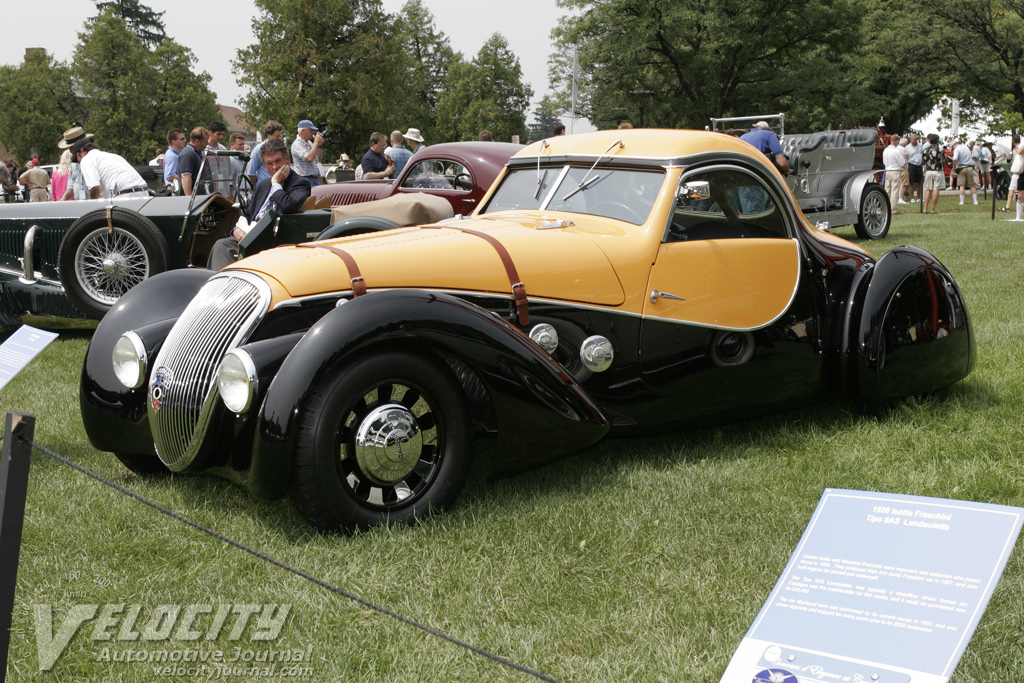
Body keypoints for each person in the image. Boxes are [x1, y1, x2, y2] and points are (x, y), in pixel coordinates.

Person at [207, 138, 310, 270]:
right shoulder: (262, 186)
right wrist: (236, 230)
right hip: (251, 235)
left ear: (287, 160)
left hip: (273, 239)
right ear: (264, 164)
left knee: (223, 247)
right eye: (269, 163)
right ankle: (220, 286)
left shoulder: (299, 183)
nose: (274, 167)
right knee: (221, 245)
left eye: (278, 161)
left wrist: (276, 184)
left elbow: (288, 205)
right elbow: (249, 214)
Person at [72, 139, 148, 199]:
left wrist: (92, 206)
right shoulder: (111, 156)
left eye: (77, 159)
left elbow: (94, 187)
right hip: (144, 192)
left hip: (124, 195)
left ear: (81, 151)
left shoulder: (86, 159)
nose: (79, 163)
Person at [290, 120, 324, 186]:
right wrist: (316, 142)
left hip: (315, 178)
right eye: (311, 130)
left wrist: (319, 146)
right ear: (303, 131)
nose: (313, 133)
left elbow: (319, 160)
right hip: (305, 179)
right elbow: (309, 159)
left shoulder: (310, 143)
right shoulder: (297, 144)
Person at [922, 134, 945, 215]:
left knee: (929, 189)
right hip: (937, 170)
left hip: (928, 171)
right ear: (937, 141)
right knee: (936, 189)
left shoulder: (925, 150)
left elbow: (923, 161)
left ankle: (925, 208)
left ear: (929, 141)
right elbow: (943, 160)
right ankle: (933, 209)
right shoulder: (940, 150)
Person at [882, 135, 906, 213]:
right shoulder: (896, 151)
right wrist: (905, 158)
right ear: (896, 141)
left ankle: (884, 206)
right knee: (895, 190)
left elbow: (884, 162)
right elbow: (902, 163)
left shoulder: (885, 150)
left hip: (888, 170)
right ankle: (893, 208)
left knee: (887, 190)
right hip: (895, 171)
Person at [951, 141, 978, 205]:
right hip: (970, 167)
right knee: (972, 185)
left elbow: (955, 158)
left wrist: (954, 167)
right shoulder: (966, 147)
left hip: (961, 167)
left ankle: (962, 201)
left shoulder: (957, 149)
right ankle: (975, 201)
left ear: (954, 145)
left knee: (962, 185)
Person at [1002, 135, 1021, 213]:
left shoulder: (1016, 149)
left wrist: (1011, 162)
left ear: (1013, 141)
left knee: (1011, 189)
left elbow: (1014, 160)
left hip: (1018, 171)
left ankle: (1007, 207)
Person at [905, 133, 923, 201]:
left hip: (919, 165)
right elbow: (906, 157)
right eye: (911, 139)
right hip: (912, 165)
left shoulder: (920, 146)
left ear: (917, 140)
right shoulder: (907, 147)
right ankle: (912, 198)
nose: (913, 140)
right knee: (911, 183)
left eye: (914, 139)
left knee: (919, 183)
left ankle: (919, 197)